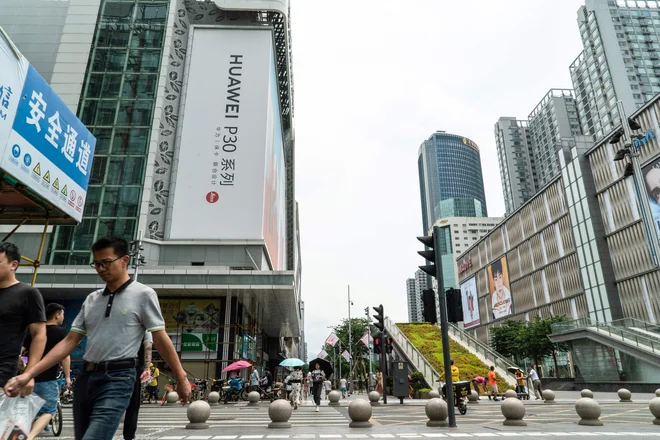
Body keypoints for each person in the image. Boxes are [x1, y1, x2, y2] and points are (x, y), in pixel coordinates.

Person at [5, 236, 191, 440]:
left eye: (106, 262)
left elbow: (160, 337)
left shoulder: (143, 294)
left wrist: (181, 377)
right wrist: (28, 374)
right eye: (97, 264)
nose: (101, 268)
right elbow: (69, 342)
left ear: (125, 260)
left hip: (118, 377)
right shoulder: (92, 299)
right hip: (86, 379)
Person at [0, 242, 47, 402]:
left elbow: (39, 335)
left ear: (14, 264)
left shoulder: (27, 293)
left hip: (3, 372)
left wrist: (29, 374)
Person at [23, 303, 69, 440]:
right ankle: (30, 437)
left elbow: (21, 352)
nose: (62, 317)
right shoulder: (60, 332)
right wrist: (67, 377)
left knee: (31, 411)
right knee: (48, 410)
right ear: (57, 315)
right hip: (47, 379)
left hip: (28, 378)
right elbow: (65, 356)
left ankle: (25, 434)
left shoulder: (34, 330)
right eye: (62, 314)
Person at [123, 331, 153, 440]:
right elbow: (148, 346)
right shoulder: (145, 328)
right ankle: (129, 436)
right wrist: (147, 368)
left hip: (113, 365)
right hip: (134, 366)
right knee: (133, 405)